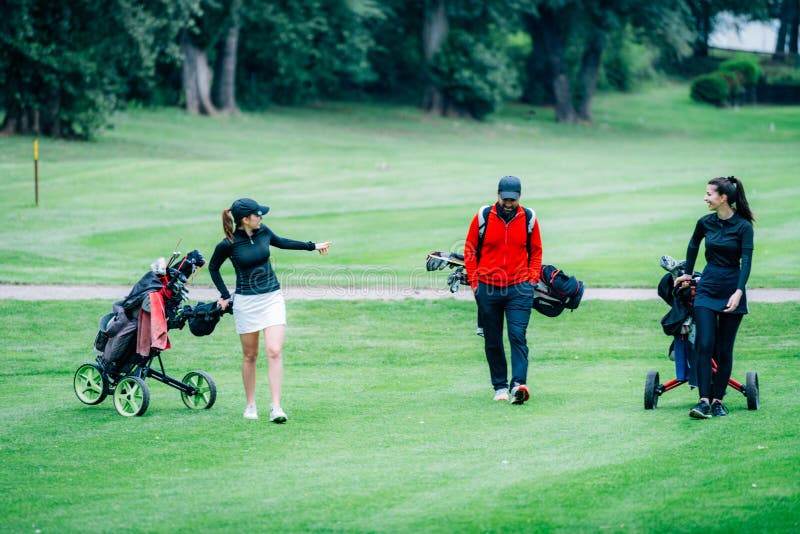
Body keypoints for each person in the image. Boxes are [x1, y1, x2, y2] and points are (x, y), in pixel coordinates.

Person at [208, 198, 331, 422]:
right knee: (250, 355)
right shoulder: (229, 243)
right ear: (245, 219)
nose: (261, 217)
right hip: (246, 302)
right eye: (258, 214)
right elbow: (213, 267)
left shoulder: (264, 231)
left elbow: (282, 242)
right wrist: (225, 296)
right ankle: (250, 405)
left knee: (274, 350)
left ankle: (276, 407)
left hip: (272, 298)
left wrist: (313, 246)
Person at [673, 176, 754, 419]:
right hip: (707, 289)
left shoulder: (743, 227)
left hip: (732, 289)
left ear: (723, 198)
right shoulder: (705, 222)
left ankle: (718, 400)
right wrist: (687, 273)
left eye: (709, 194)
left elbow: (746, 261)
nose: (705, 198)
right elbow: (693, 244)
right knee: (704, 344)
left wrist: (739, 292)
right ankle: (703, 401)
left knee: (724, 349)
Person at [464, 176, 543, 404]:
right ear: (498, 194)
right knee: (493, 339)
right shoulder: (483, 217)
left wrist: (531, 279)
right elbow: (470, 250)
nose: (509, 203)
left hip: (519, 288)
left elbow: (536, 251)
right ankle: (499, 386)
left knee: (517, 336)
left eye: (513, 199)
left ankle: (518, 385)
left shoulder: (528, 217)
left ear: (520, 196)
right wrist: (475, 283)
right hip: (488, 288)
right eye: (505, 198)